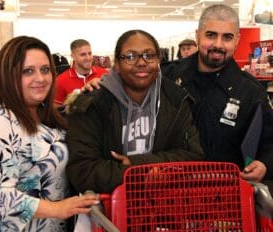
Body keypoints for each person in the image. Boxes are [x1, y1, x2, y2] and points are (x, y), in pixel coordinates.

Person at [0, 36, 99, 231]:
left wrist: (84, 97)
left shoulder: (37, 111)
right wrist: (57, 209)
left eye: (45, 70)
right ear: (7, 75)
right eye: (28, 71)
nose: (40, 78)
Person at [65, 29, 204, 194]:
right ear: (116, 64)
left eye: (149, 55)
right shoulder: (92, 104)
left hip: (164, 207)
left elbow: (192, 156)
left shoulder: (176, 99)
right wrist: (144, 175)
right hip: (108, 211)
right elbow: (82, 170)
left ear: (158, 60)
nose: (141, 62)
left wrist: (138, 164)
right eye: (130, 56)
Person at [168, 4, 273, 184]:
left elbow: (269, 140)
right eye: (211, 35)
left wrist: (264, 163)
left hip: (225, 195)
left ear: (237, 40)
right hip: (169, 190)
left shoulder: (251, 91)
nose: (218, 44)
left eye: (227, 37)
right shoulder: (168, 78)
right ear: (198, 34)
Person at [54, 39, 108, 106]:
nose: (88, 58)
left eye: (89, 53)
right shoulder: (60, 81)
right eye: (83, 55)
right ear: (73, 56)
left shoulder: (104, 74)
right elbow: (56, 110)